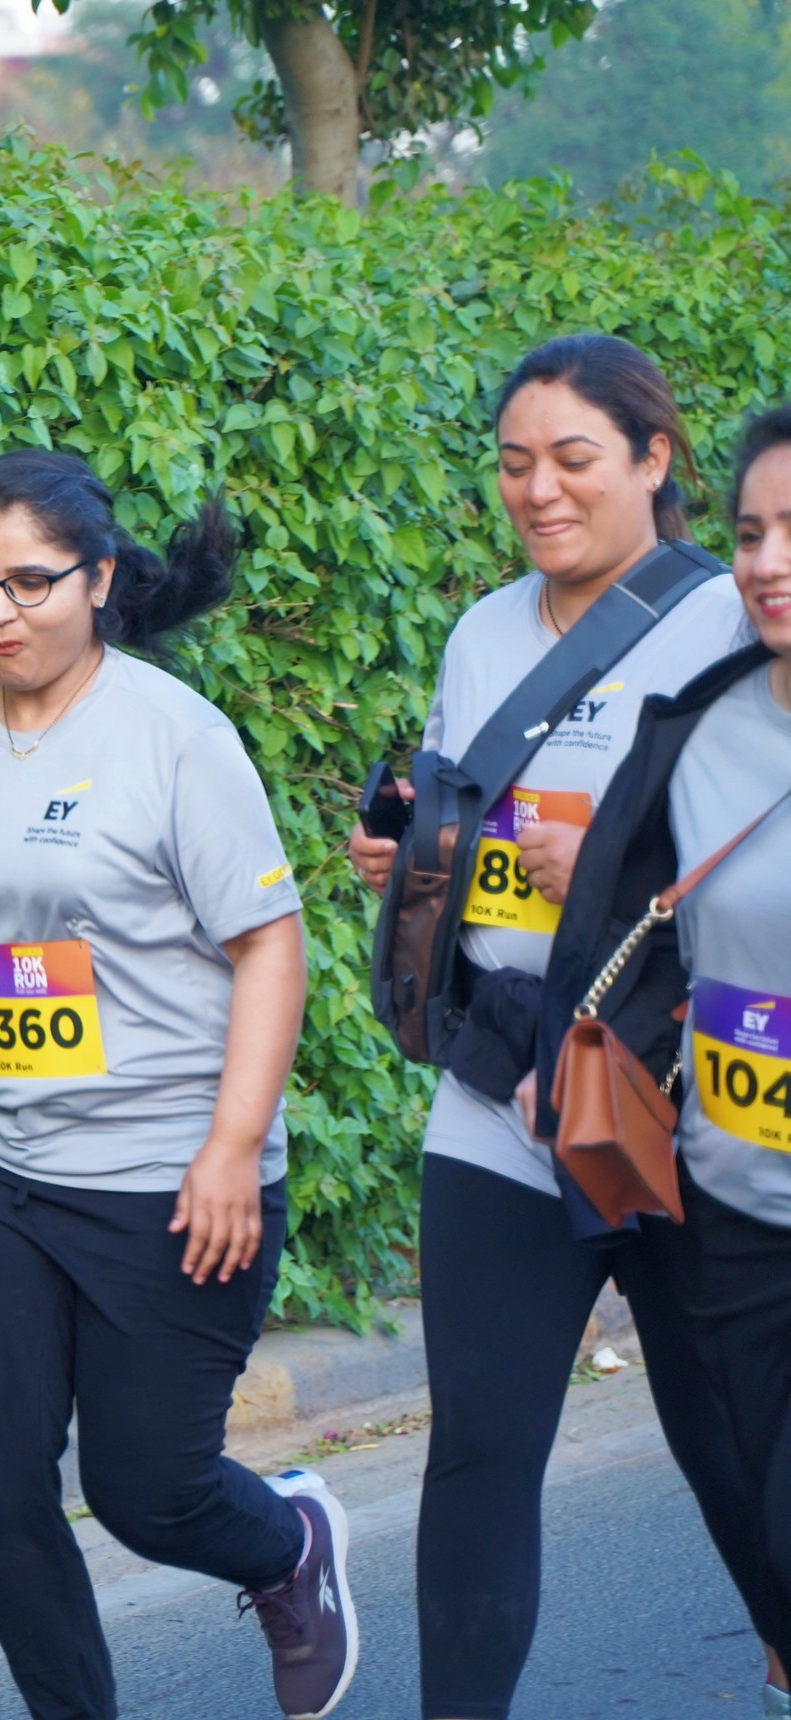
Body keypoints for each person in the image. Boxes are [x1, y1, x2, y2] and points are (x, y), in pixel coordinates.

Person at [0, 449, 353, 1720]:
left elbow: (269, 944)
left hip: (167, 1170)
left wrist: (233, 1146)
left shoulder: (176, 738)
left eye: (30, 582)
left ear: (100, 579)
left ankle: (289, 1545)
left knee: (149, 1491)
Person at [346, 335, 767, 1720]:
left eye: (575, 459)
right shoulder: (482, 634)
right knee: (478, 1446)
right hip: (504, 1087)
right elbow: (476, 831)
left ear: (654, 459)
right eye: (516, 463)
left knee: (734, 1445)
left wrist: (631, 897)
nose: (540, 490)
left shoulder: (735, 627)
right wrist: (411, 853)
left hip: (680, 1101)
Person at [533, 402, 791, 1720]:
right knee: (762, 1527)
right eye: (750, 532)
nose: (768, 562)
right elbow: (632, 932)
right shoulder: (699, 725)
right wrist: (580, 1059)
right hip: (733, 1211)